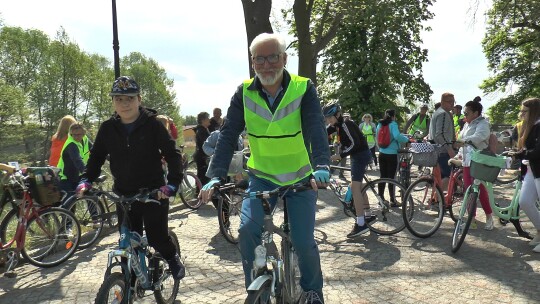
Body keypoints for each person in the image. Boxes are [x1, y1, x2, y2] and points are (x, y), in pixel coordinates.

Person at [198, 33, 330, 304]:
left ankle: (314, 291)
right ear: (252, 62)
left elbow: (316, 128)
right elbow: (228, 133)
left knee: (304, 242)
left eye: (273, 57)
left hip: (300, 178)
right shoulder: (243, 92)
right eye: (260, 59)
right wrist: (214, 176)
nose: (267, 65)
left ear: (284, 59)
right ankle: (257, 288)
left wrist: (322, 165)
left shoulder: (303, 88)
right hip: (262, 177)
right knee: (247, 231)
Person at [76, 76, 185, 280]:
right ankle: (129, 282)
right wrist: (86, 180)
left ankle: (172, 258)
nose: (124, 104)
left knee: (156, 238)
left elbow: (172, 153)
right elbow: (97, 156)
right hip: (124, 194)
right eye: (119, 99)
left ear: (139, 99)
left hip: (153, 192)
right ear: (113, 102)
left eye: (129, 98)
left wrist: (172, 184)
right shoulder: (107, 128)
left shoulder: (152, 125)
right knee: (126, 240)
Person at [324, 103, 373, 238]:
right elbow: (323, 132)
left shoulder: (346, 124)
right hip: (358, 156)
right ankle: (368, 214)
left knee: (355, 188)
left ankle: (361, 223)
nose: (328, 121)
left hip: (360, 156)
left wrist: (340, 155)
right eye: (326, 118)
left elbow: (355, 144)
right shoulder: (337, 125)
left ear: (337, 115)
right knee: (357, 186)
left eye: (330, 118)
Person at [453, 99, 494, 230]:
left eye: (467, 113)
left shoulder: (483, 123)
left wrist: (464, 141)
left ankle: (489, 216)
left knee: (480, 191)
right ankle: (472, 219)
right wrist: (457, 155)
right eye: (464, 113)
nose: (464, 115)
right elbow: (461, 142)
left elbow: (480, 136)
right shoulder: (467, 124)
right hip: (466, 161)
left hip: (478, 161)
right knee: (468, 191)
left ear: (476, 113)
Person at [510, 97, 540, 253]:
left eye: (524, 111)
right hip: (531, 169)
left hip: (537, 168)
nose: (521, 113)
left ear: (533, 111)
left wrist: (521, 155)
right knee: (525, 201)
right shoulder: (529, 126)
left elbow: (537, 151)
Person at [376, 109, 411, 204]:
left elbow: (377, 137)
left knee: (382, 176)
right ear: (393, 116)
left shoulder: (380, 124)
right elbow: (397, 136)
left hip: (382, 152)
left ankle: (381, 199)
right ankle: (392, 200)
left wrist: (380, 148)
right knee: (392, 178)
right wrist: (407, 139)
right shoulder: (393, 124)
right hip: (392, 154)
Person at [429, 93, 456, 191]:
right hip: (442, 150)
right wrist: (449, 149)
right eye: (450, 102)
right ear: (442, 102)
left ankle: (436, 199)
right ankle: (438, 199)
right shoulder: (443, 114)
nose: (452, 104)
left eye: (453, 102)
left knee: (439, 176)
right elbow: (440, 133)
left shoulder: (436, 113)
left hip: (435, 149)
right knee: (448, 176)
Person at [57, 123, 92, 196]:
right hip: (65, 178)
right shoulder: (71, 144)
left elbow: (97, 150)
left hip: (77, 176)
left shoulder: (85, 140)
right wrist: (87, 174)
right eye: (74, 134)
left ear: (84, 133)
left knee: (90, 195)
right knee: (69, 203)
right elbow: (77, 160)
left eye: (79, 134)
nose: (76, 137)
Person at [194, 112, 211, 186]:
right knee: (203, 177)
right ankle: (201, 194)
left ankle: (200, 192)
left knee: (202, 176)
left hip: (202, 156)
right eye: (208, 118)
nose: (209, 120)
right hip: (202, 157)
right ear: (203, 120)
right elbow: (205, 144)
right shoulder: (201, 131)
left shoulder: (203, 129)